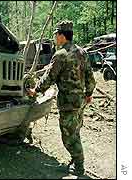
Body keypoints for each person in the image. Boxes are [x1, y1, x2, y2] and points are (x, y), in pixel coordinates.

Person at [27, 20, 96, 176]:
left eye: (55, 35)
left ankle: (79, 166)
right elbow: (90, 76)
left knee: (69, 137)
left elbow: (49, 78)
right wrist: (89, 93)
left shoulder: (60, 55)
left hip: (68, 104)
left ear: (62, 36)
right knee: (75, 131)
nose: (54, 38)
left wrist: (35, 90)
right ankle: (75, 160)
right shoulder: (82, 52)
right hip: (80, 102)